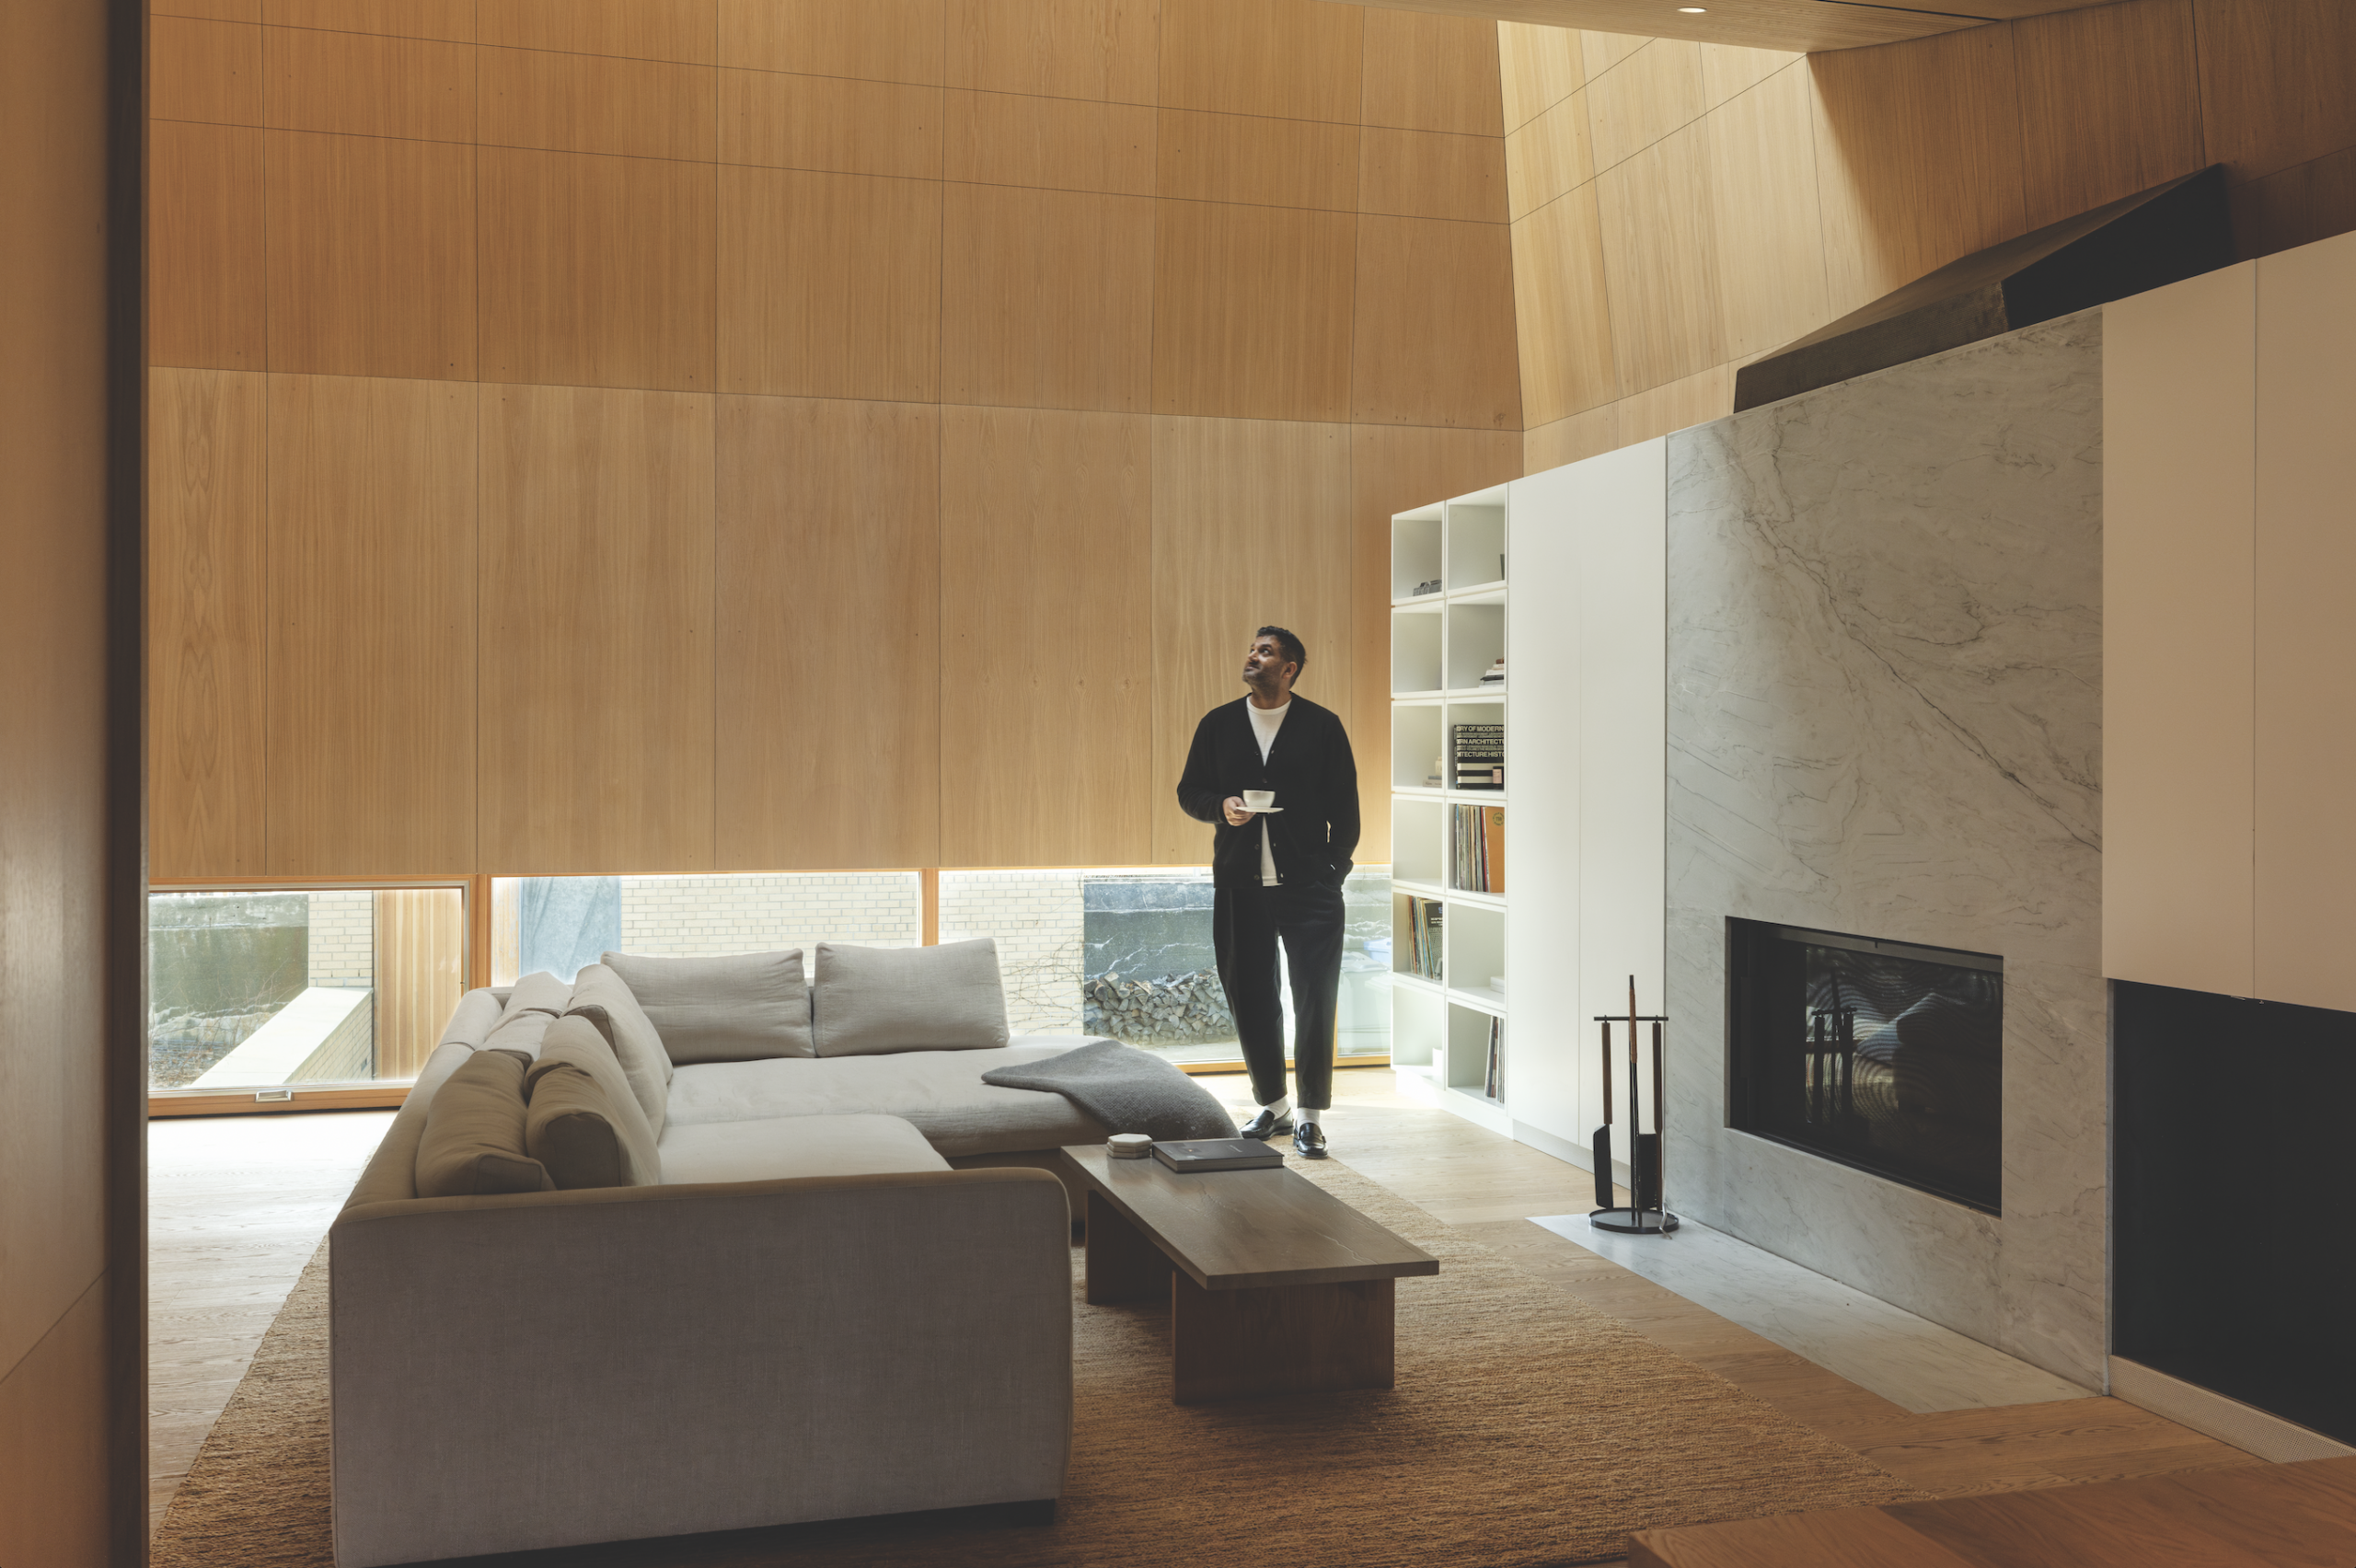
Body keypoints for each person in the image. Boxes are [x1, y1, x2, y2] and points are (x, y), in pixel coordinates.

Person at [1175, 627, 1359, 1159]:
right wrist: (1221, 807)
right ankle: (1274, 1105)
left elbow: (1346, 808)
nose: (1253, 657)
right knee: (1251, 996)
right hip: (1240, 884)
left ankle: (1310, 1116)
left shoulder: (1322, 726)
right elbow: (1190, 790)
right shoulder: (1218, 724)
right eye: (1253, 649)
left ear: (1289, 668)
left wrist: (1333, 873)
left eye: (1266, 652)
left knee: (1315, 999)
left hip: (1310, 888)